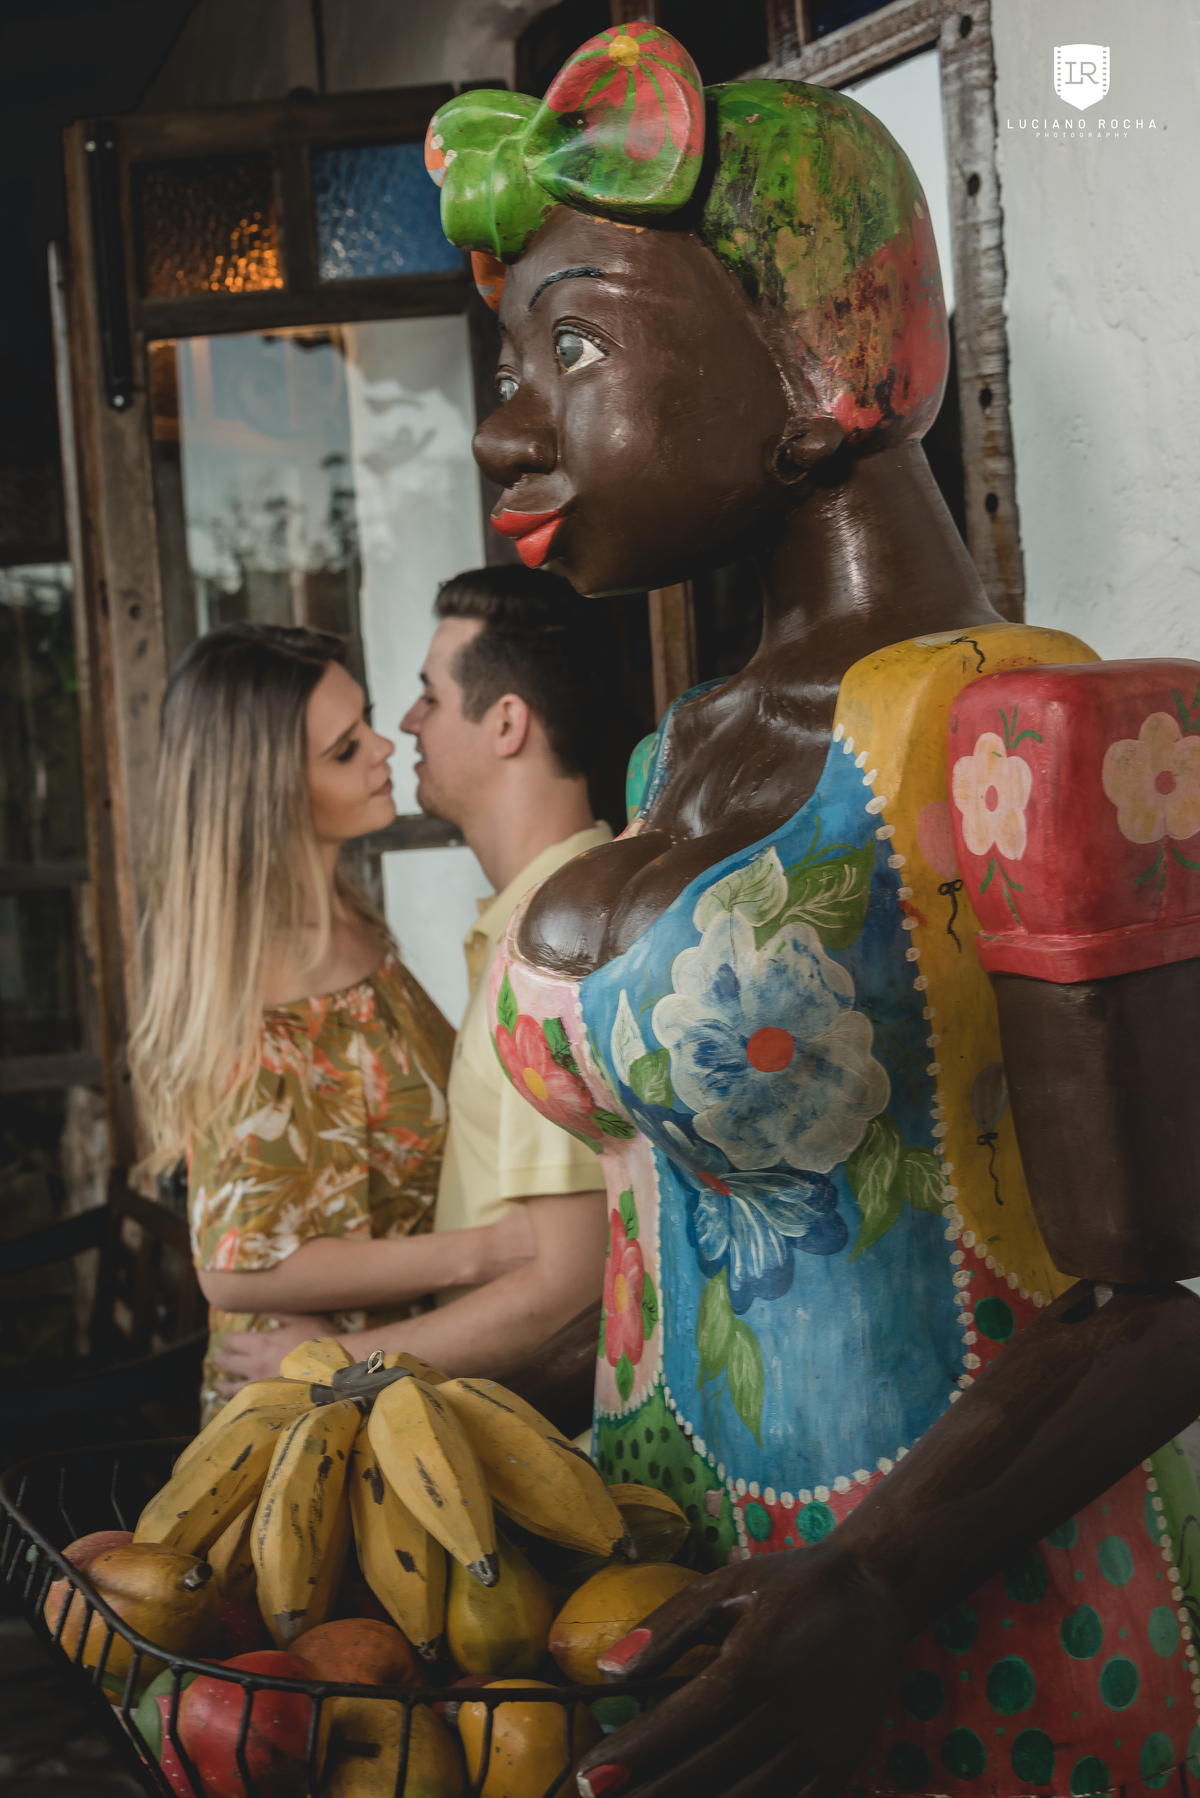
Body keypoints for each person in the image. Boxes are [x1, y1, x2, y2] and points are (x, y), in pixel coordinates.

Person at [425, 26, 1200, 1798]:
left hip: (981, 1646)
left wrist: (876, 1578)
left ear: (815, 352)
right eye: (510, 359)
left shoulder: (1034, 727)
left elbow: (1162, 1298)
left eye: (572, 345)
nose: (506, 421)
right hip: (680, 1623)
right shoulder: (684, 756)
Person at [129, 623, 533, 1423]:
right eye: (345, 750)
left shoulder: (346, 920)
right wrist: (490, 1252)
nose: (385, 747)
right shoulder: (259, 985)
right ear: (271, 795)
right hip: (306, 1409)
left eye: (367, 721)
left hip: (394, 1373)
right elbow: (233, 1269)